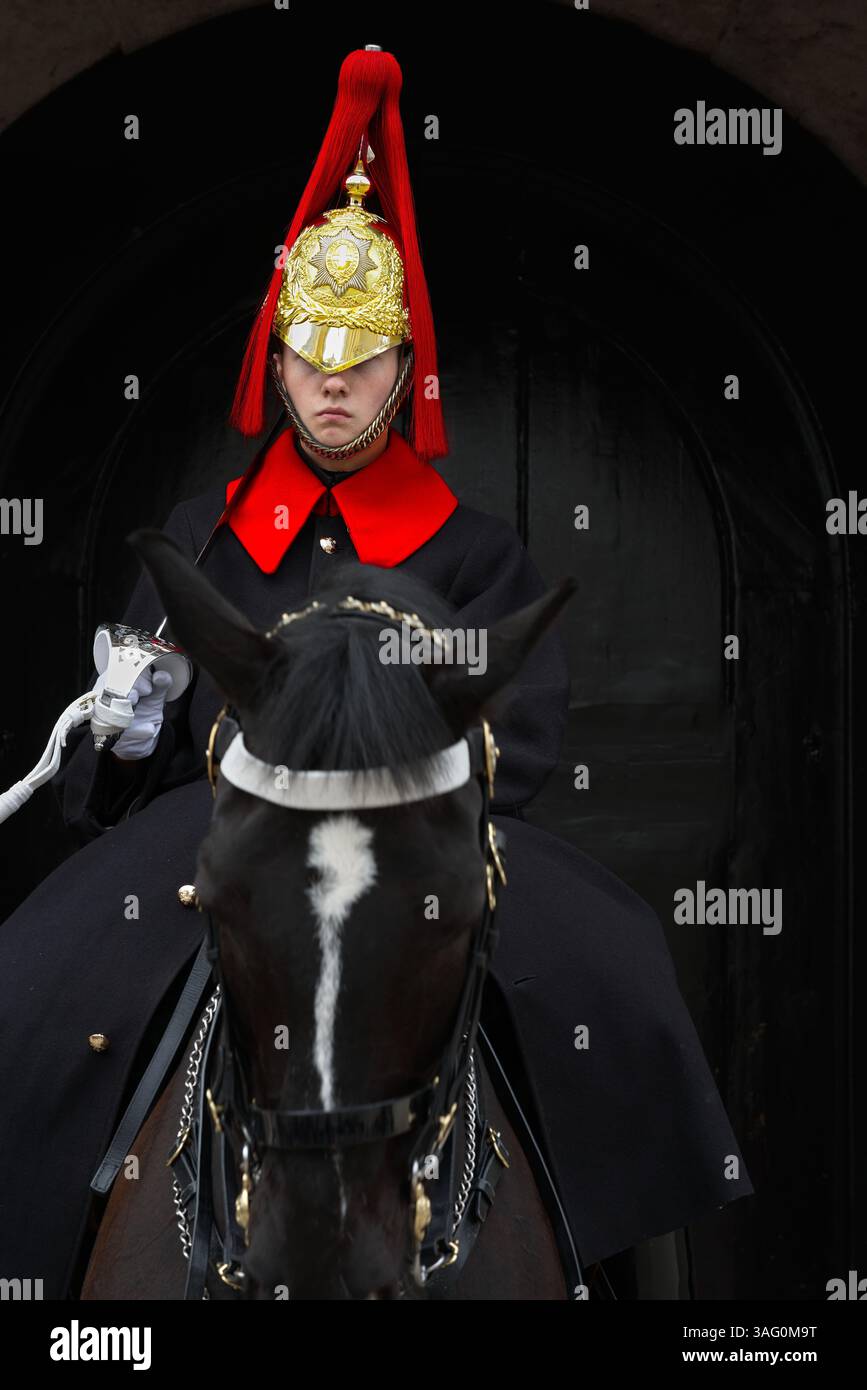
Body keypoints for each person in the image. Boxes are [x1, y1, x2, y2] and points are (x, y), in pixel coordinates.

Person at [0, 45, 753, 1300]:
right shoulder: (206, 530)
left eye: (359, 360)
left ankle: (649, 1282)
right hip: (227, 828)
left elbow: (531, 730)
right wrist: (129, 732)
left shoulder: (473, 547)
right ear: (277, 362)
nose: (333, 383)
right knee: (33, 969)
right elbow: (103, 771)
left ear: (404, 371)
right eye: (309, 356)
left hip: (416, 836)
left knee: (614, 964)